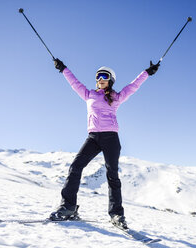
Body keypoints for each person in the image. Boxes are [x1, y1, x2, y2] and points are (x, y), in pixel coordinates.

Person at [50, 58, 160, 228]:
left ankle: (116, 215)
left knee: (112, 175)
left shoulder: (116, 97)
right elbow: (74, 82)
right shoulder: (89, 94)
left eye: (104, 76)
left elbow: (133, 86)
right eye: (98, 76)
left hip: (111, 138)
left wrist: (146, 72)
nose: (100, 79)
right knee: (75, 167)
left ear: (110, 80)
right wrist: (63, 68)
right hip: (93, 137)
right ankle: (68, 207)